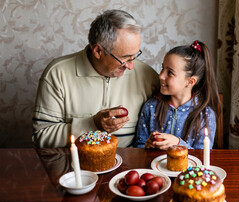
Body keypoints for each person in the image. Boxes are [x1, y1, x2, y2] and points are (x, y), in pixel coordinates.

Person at [32, 10, 159, 148]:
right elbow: (42, 136)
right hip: (74, 165)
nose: (131, 66)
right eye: (125, 58)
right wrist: (92, 124)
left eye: (135, 56)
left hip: (128, 166)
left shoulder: (148, 76)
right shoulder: (56, 73)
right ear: (98, 51)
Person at [134, 40, 220, 149]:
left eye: (170, 72)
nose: (161, 76)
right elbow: (139, 146)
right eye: (162, 68)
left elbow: (203, 156)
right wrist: (147, 146)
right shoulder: (151, 107)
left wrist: (178, 144)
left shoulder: (205, 115)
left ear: (190, 82)